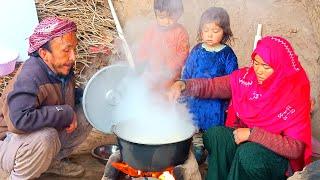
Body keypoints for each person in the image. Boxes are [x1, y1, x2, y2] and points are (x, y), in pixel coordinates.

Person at [169, 36, 311, 179]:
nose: (259, 71)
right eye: (256, 63)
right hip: (247, 141)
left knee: (248, 154)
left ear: (280, 66)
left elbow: (295, 148)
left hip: (276, 159)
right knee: (216, 136)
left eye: (266, 66)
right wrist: (184, 85)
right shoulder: (246, 79)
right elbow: (212, 86)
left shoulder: (294, 94)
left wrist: (252, 134)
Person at [0, 16, 92, 179]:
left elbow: (62, 96)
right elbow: (19, 120)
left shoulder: (61, 67)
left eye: (74, 49)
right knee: (46, 137)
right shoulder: (30, 76)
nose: (73, 57)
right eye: (66, 50)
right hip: (8, 142)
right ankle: (19, 176)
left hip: (28, 137)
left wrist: (90, 94)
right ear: (44, 53)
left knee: (89, 112)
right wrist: (64, 113)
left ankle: (50, 162)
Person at [182, 7, 238, 131]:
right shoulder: (196, 50)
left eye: (215, 30)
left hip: (216, 105)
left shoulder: (227, 54)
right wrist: (183, 91)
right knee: (193, 128)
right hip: (195, 101)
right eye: (206, 30)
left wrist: (231, 105)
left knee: (212, 131)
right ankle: (197, 143)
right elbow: (187, 73)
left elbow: (233, 82)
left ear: (225, 31)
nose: (209, 35)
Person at [136, 0, 189, 91]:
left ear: (178, 14)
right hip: (152, 73)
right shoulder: (152, 29)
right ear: (156, 15)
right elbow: (144, 47)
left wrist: (168, 70)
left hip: (171, 77)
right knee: (148, 93)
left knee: (166, 97)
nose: (166, 21)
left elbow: (183, 55)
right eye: (161, 17)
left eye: (171, 17)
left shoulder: (181, 32)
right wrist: (142, 66)